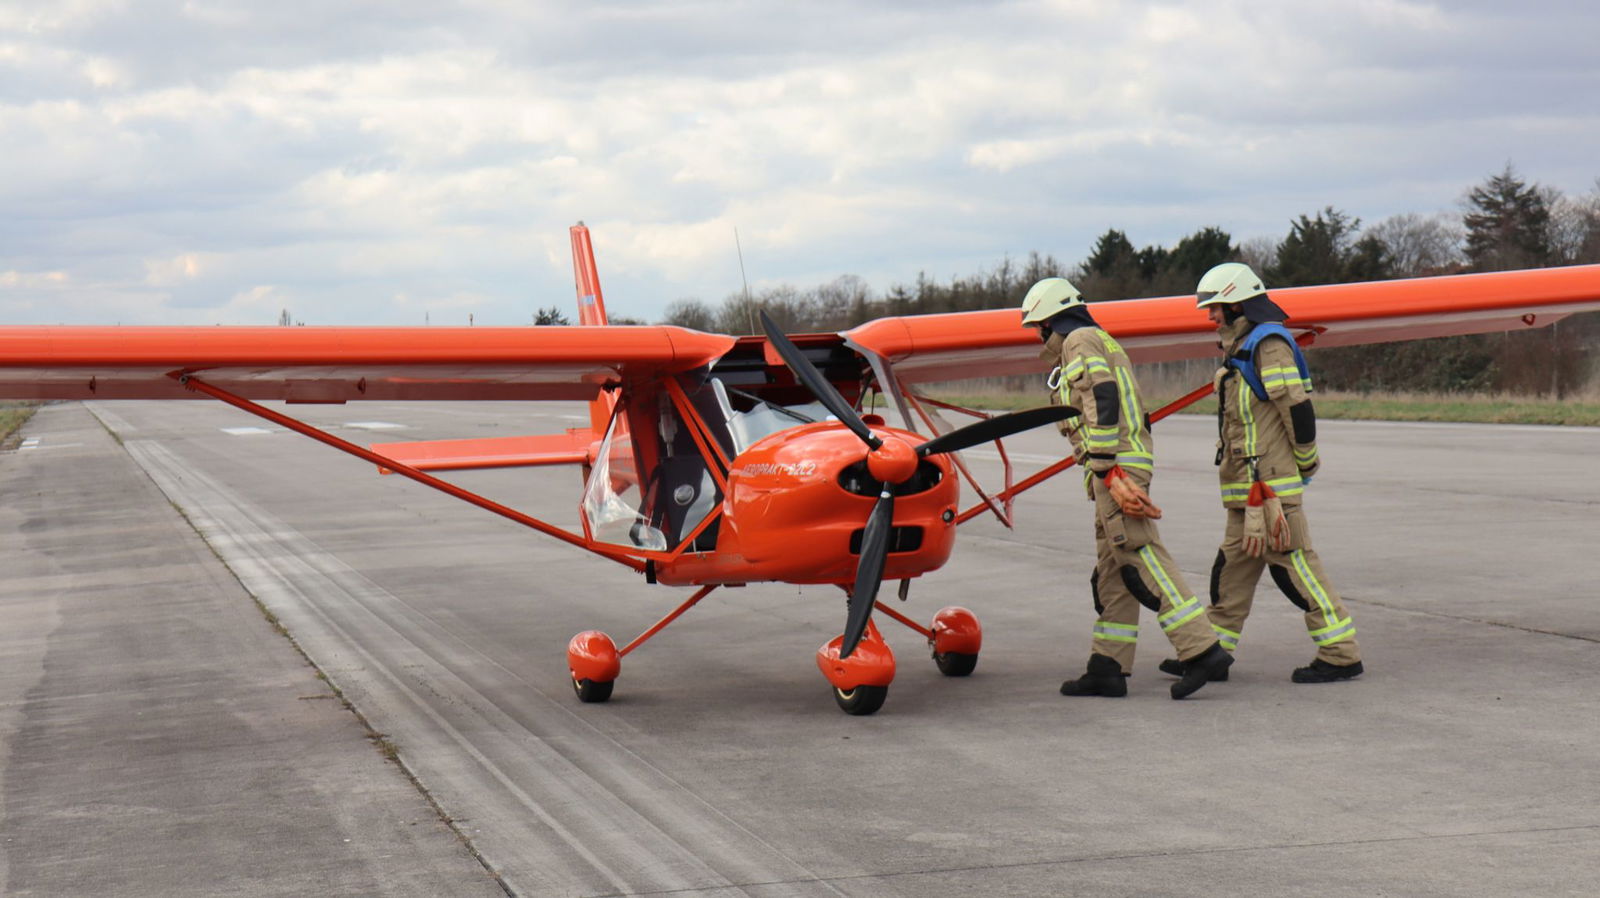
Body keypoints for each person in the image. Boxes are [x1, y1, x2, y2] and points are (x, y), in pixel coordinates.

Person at [1021, 277, 1232, 699]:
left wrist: (1104, 469)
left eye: (1039, 326)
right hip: (1114, 465)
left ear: (1051, 320)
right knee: (1114, 569)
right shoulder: (1097, 340)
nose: (1040, 336)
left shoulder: (1079, 341)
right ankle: (1108, 665)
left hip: (1115, 466)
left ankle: (1202, 648)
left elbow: (1101, 398)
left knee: (1140, 554)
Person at [1160, 262, 1363, 684]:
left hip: (1269, 488)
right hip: (1243, 487)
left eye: (1215, 307)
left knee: (1295, 567)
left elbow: (1296, 408)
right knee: (1232, 570)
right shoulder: (1241, 346)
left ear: (1237, 304)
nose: (1211, 315)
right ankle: (1212, 653)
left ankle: (1341, 653)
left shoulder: (1267, 345)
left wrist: (1306, 460)